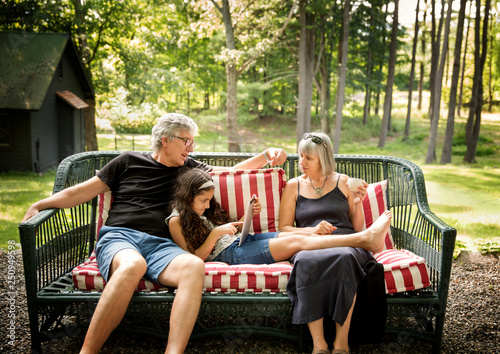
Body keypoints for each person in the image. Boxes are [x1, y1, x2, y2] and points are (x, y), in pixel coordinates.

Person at [21, 113, 287, 354]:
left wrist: (265, 156)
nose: (191, 148)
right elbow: (82, 191)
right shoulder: (127, 162)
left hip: (162, 245)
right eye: (186, 141)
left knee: (194, 265)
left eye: (192, 142)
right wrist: (40, 204)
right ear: (165, 140)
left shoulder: (189, 168)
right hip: (121, 237)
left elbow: (231, 173)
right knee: (132, 265)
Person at [279, 132, 392, 354]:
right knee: (305, 260)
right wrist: (312, 230)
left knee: (345, 258)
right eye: (300, 156)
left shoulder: (343, 181)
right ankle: (319, 345)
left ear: (323, 157)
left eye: (308, 158)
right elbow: (283, 229)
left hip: (346, 241)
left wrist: (358, 203)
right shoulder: (294, 186)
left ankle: (341, 343)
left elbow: (355, 227)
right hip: (309, 243)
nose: (301, 163)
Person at [167, 168, 391, 265]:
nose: (207, 206)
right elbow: (194, 259)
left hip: (241, 241)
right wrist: (216, 233)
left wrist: (247, 217)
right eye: (203, 201)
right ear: (188, 196)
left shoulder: (202, 211)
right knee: (296, 241)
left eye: (209, 201)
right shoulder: (176, 221)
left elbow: (226, 231)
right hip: (229, 254)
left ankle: (362, 238)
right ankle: (363, 239)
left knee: (287, 234)